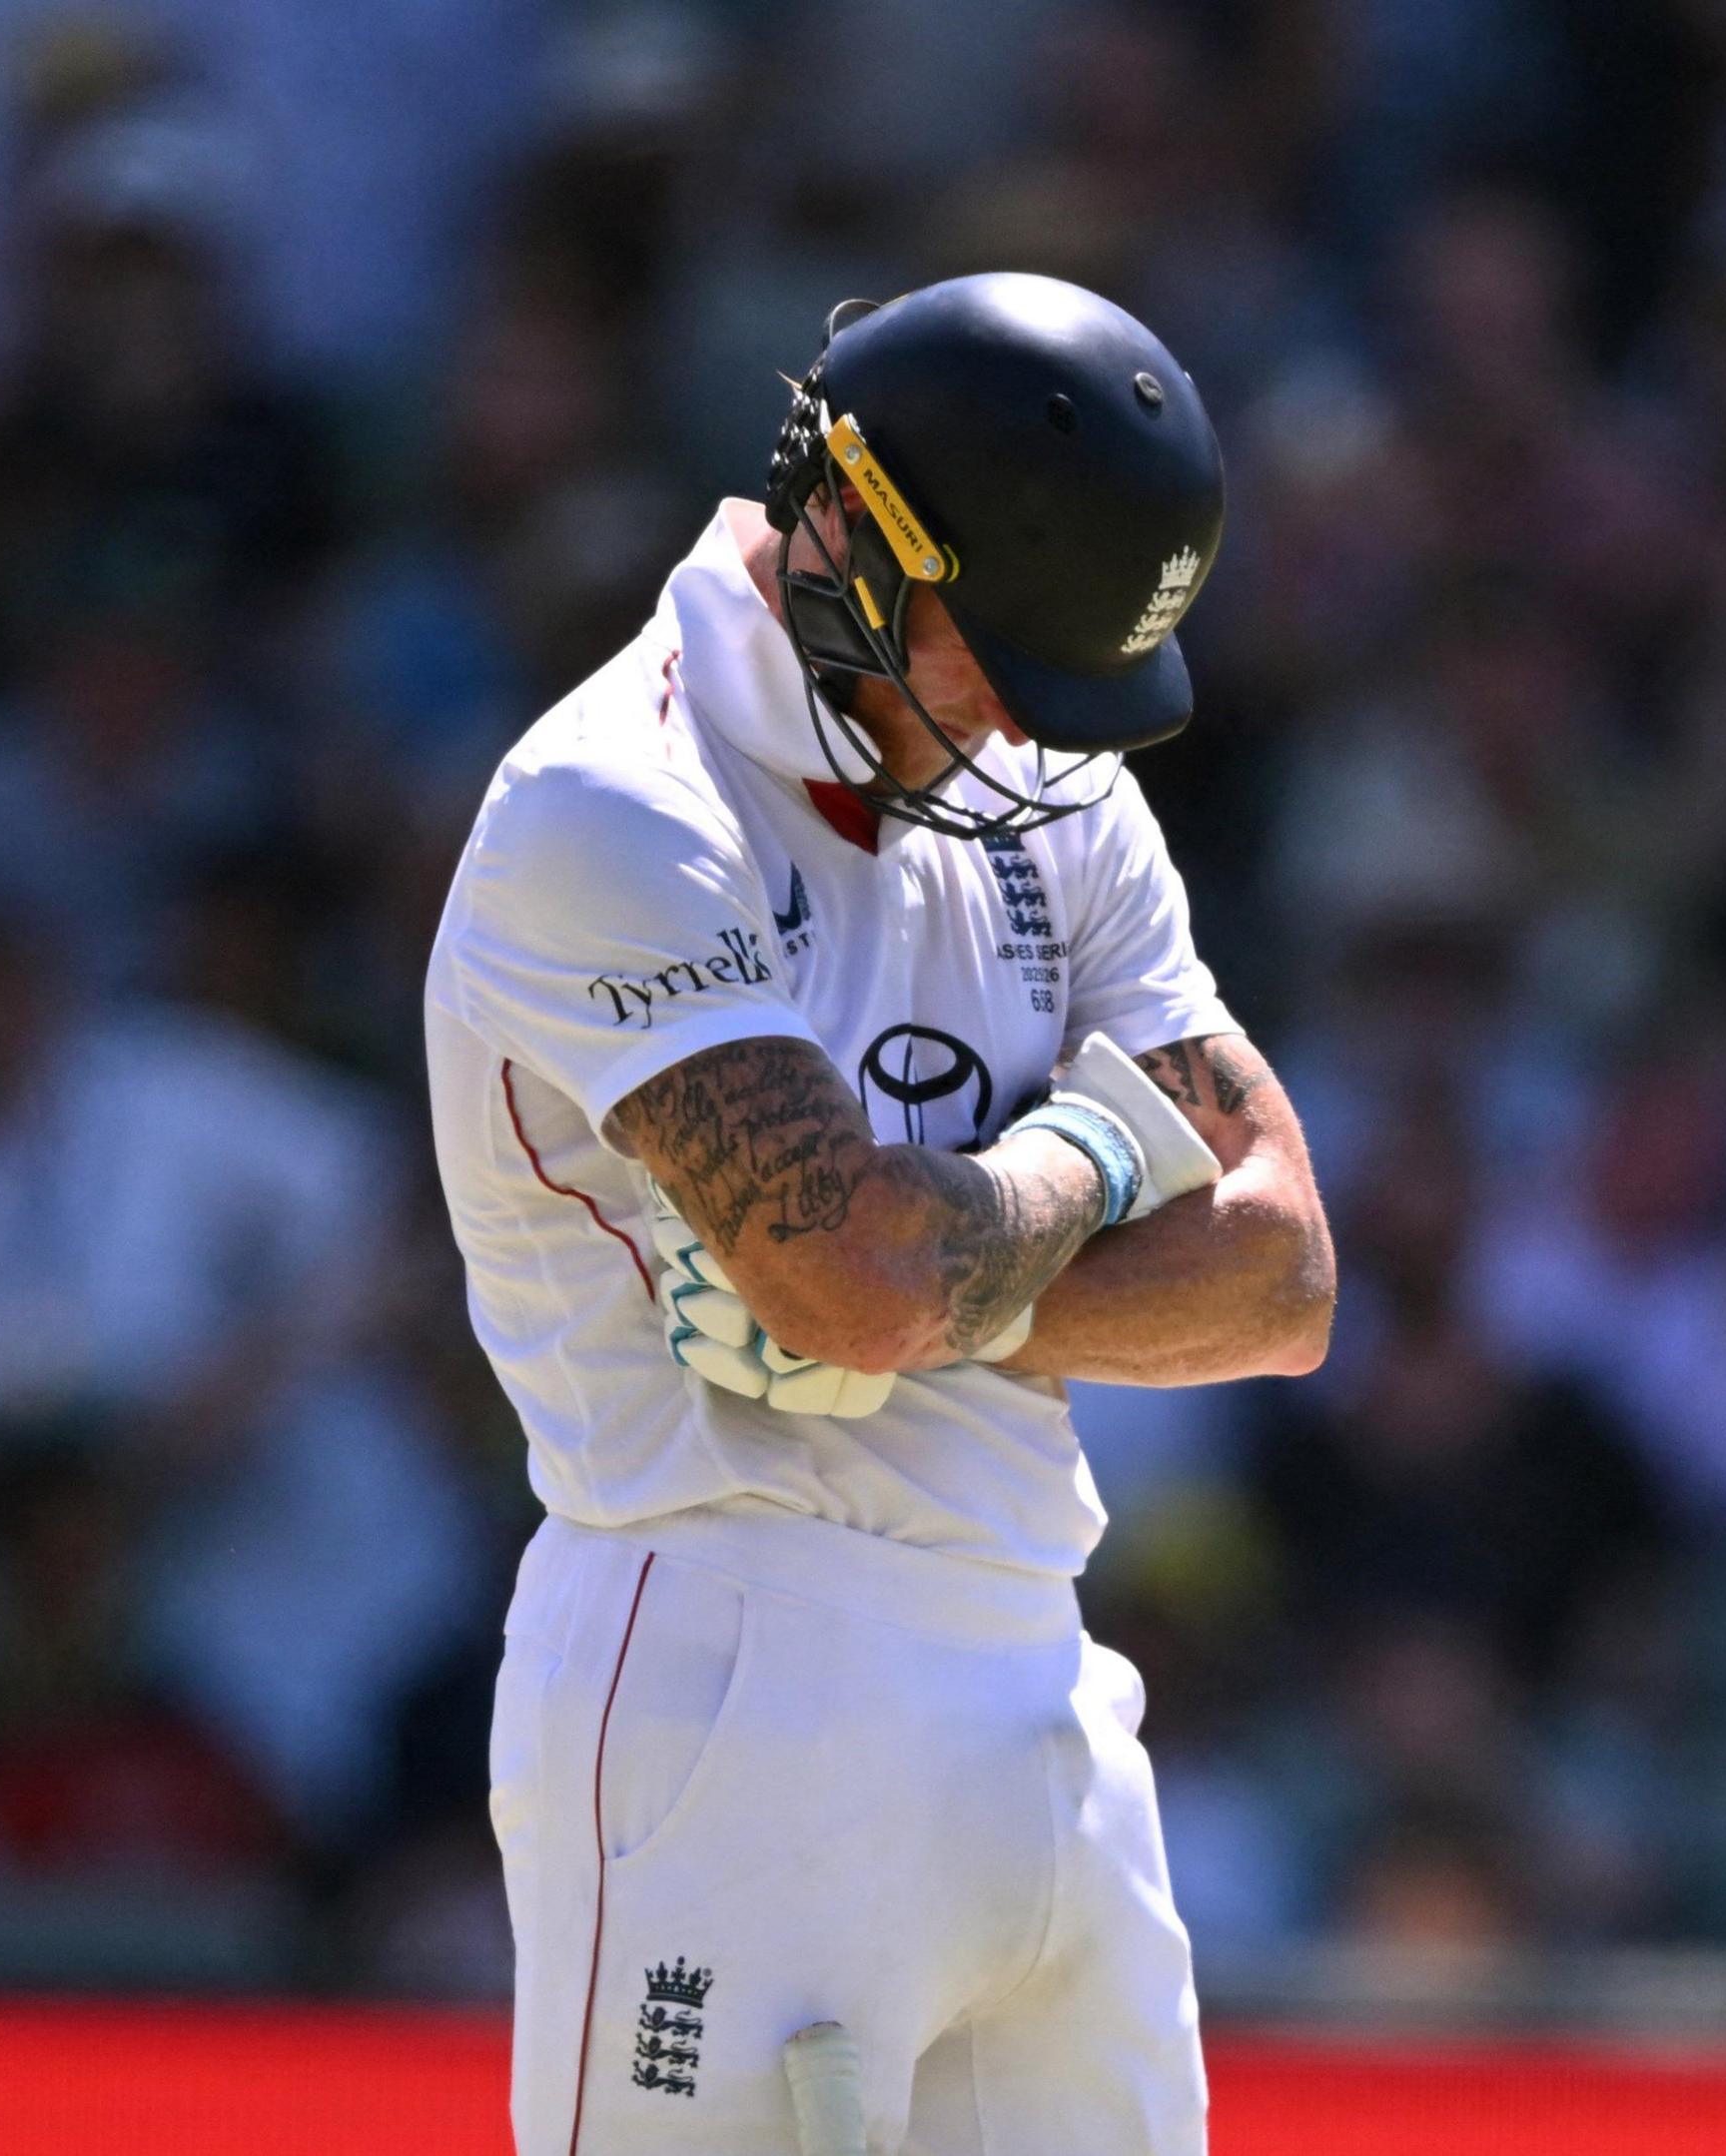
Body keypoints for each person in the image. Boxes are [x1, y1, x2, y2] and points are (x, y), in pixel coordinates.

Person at [425, 275, 1336, 2153]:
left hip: (1040, 1666)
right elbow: (854, 1276)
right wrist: (1096, 1155)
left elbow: (1279, 1271)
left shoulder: (1055, 787)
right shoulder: (613, 803)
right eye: (994, 653)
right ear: (852, 520)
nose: (1019, 731)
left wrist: (955, 1256)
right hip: (726, 1649)